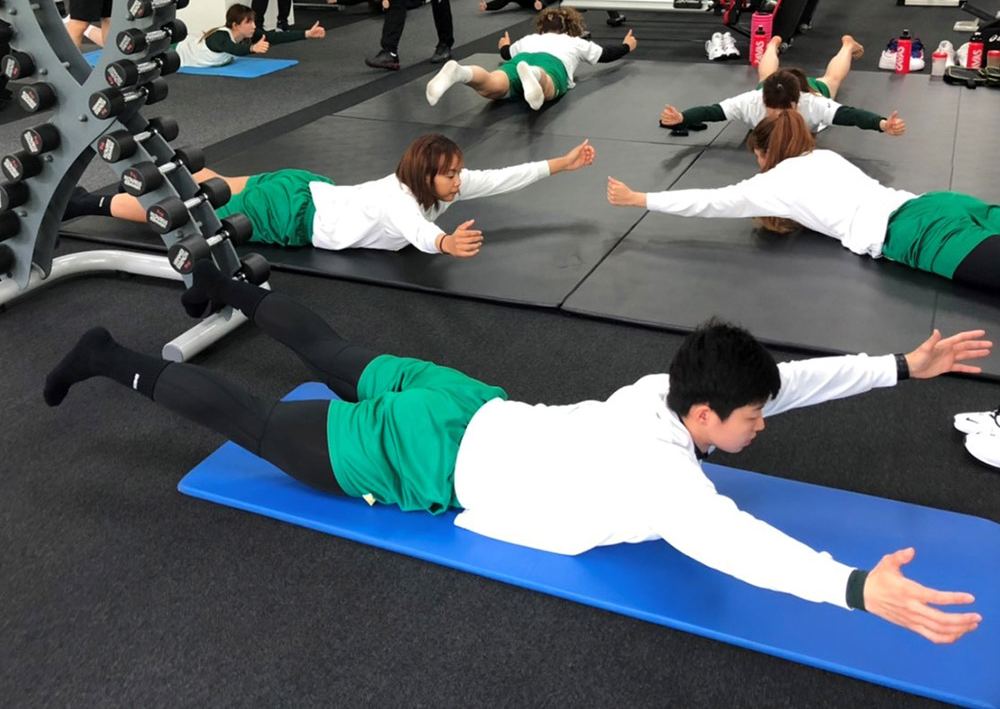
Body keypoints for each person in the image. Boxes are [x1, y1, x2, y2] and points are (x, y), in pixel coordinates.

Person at [44, 275, 987, 645]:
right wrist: (854, 590)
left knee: (335, 355)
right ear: (705, 412)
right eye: (750, 420)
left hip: (468, 400)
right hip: (423, 456)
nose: (761, 427)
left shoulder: (658, 389)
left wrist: (902, 367)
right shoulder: (666, 481)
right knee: (254, 424)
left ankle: (222, 284)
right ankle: (105, 354)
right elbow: (739, 545)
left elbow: (789, 382)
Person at [608, 109, 1000, 293]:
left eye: (756, 157)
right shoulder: (823, 156)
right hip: (938, 203)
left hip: (916, 234)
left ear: (764, 153)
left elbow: (709, 202)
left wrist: (639, 198)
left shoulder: (771, 185)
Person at [69, 133, 596, 257]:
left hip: (306, 185)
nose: (461, 181)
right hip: (292, 214)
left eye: (459, 173)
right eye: (452, 175)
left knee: (218, 185)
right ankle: (91, 204)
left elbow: (504, 176)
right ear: (428, 176)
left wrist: (562, 164)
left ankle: (159, 163)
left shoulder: (441, 184)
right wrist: (445, 244)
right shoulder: (401, 200)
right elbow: (418, 233)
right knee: (190, 214)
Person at [659, 35, 907, 138]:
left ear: (796, 102)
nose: (777, 114)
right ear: (763, 99)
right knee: (766, 74)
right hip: (771, 84)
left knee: (832, 80)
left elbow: (851, 115)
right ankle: (771, 44)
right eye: (772, 108)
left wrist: (883, 124)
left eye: (783, 109)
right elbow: (712, 111)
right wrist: (682, 117)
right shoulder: (751, 101)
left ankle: (847, 45)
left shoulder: (813, 102)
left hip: (809, 87)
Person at [427, 6, 637, 111]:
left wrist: (504, 45)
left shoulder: (529, 39)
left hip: (521, 58)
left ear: (541, 28)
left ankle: (462, 72)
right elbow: (606, 54)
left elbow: (506, 54)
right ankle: (535, 76)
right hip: (551, 62)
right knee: (549, 84)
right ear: (568, 29)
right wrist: (627, 45)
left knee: (492, 86)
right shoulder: (574, 42)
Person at [175, 3, 326, 68]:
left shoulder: (249, 34)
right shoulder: (219, 37)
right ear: (235, 25)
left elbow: (275, 37)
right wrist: (252, 48)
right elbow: (234, 49)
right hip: (175, 50)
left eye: (253, 21)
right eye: (248, 22)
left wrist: (307, 34)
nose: (254, 26)